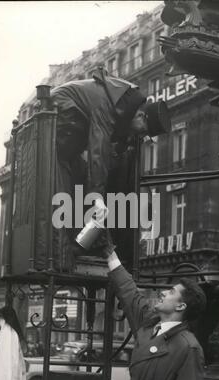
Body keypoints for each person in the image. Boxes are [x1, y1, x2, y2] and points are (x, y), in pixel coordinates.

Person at [52, 67, 171, 251]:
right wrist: (97, 197)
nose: (140, 135)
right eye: (144, 131)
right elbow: (98, 150)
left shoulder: (124, 108)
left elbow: (118, 139)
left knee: (94, 170)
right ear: (140, 116)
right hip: (61, 110)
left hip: (73, 115)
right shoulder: (106, 106)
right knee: (83, 167)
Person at [98, 235, 206, 380]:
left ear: (181, 306)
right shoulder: (148, 323)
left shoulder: (189, 347)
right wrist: (109, 252)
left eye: (171, 292)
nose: (163, 292)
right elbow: (128, 291)